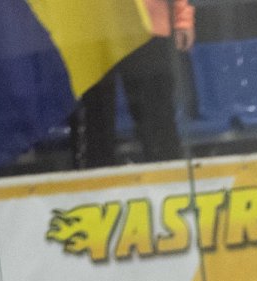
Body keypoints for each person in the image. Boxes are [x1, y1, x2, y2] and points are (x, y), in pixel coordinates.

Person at [75, 0, 191, 168]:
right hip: (93, 27)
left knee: (158, 124)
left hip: (147, 25)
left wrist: (182, 17)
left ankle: (171, 184)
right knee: (95, 125)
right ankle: (93, 187)